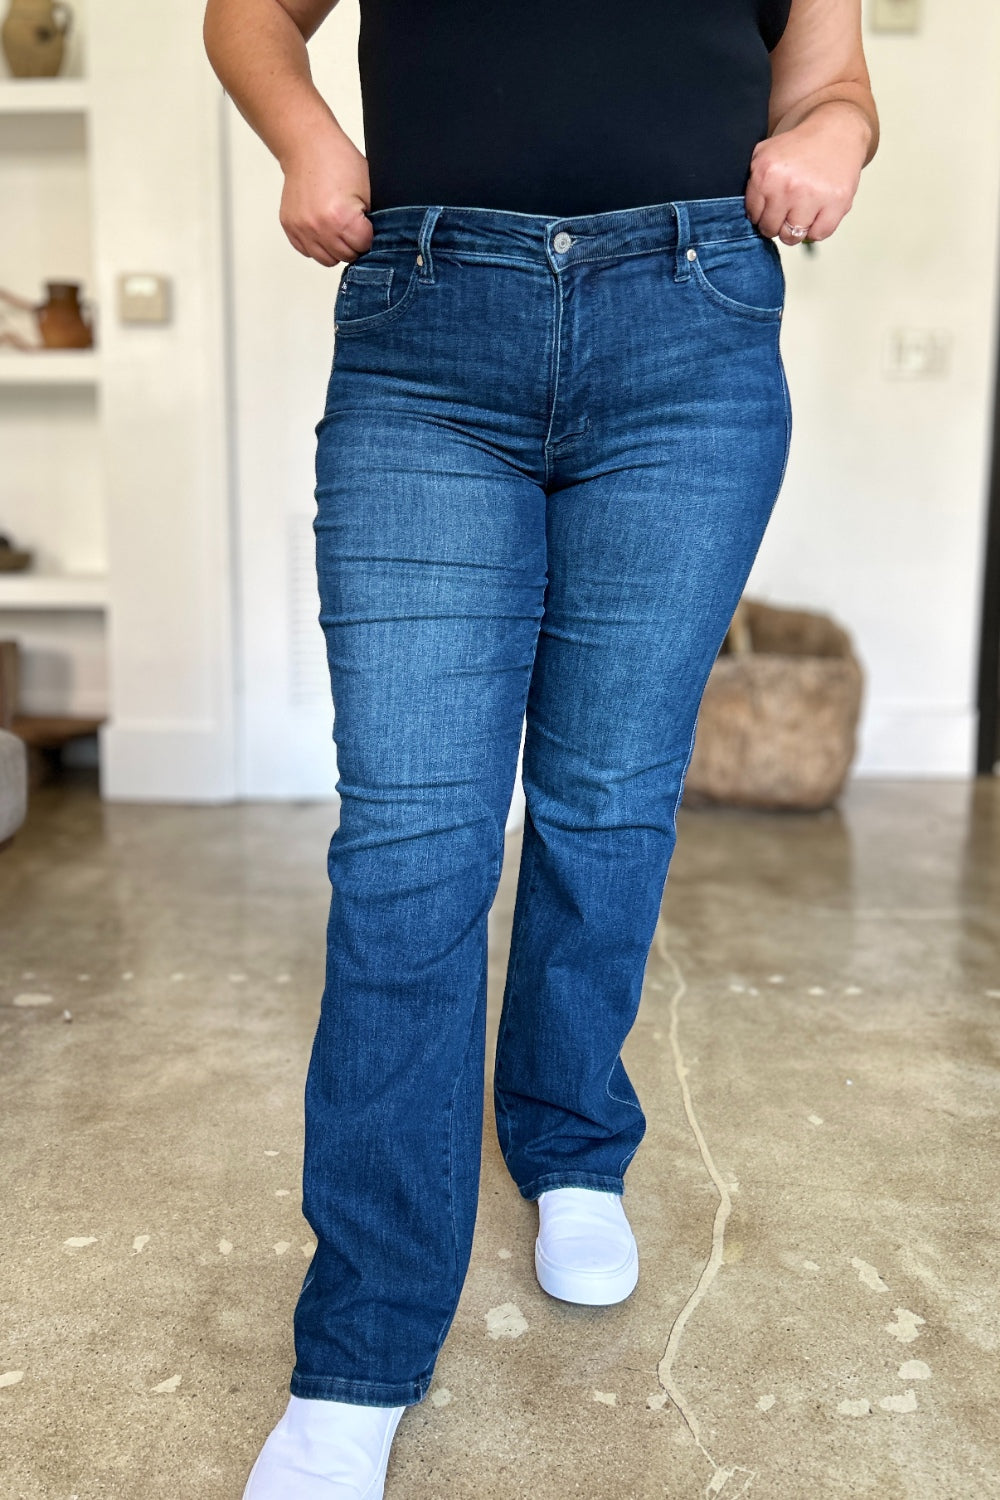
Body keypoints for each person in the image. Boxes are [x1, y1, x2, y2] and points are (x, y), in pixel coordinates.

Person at [202, 2, 878, 1494]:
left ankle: (573, 1145)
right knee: (411, 840)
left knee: (609, 800)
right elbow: (248, 12)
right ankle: (361, 1347)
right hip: (429, 329)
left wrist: (830, 133)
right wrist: (308, 137)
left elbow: (829, 78)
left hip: (691, 332)